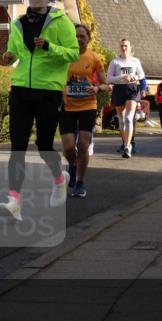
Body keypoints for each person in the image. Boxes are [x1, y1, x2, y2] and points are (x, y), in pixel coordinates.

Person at [0, 0, 79, 221]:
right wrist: (8, 55)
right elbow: (14, 52)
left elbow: (73, 53)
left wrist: (48, 47)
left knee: (44, 145)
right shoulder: (18, 23)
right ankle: (14, 201)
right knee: (18, 147)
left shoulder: (61, 21)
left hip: (48, 91)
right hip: (20, 89)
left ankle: (59, 178)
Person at [60, 24, 107, 198]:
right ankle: (72, 166)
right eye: (76, 36)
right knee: (68, 148)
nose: (79, 39)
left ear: (88, 39)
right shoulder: (64, 55)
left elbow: (106, 84)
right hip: (67, 106)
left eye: (82, 36)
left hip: (88, 105)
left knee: (83, 144)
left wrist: (97, 88)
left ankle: (79, 182)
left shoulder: (94, 58)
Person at [107, 38, 145, 155]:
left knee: (129, 118)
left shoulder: (135, 61)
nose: (124, 48)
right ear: (119, 48)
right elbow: (109, 78)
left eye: (126, 46)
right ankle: (125, 143)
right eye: (122, 46)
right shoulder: (115, 62)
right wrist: (122, 77)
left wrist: (134, 77)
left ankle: (128, 146)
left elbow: (141, 75)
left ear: (130, 48)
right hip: (119, 89)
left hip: (131, 89)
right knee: (122, 120)